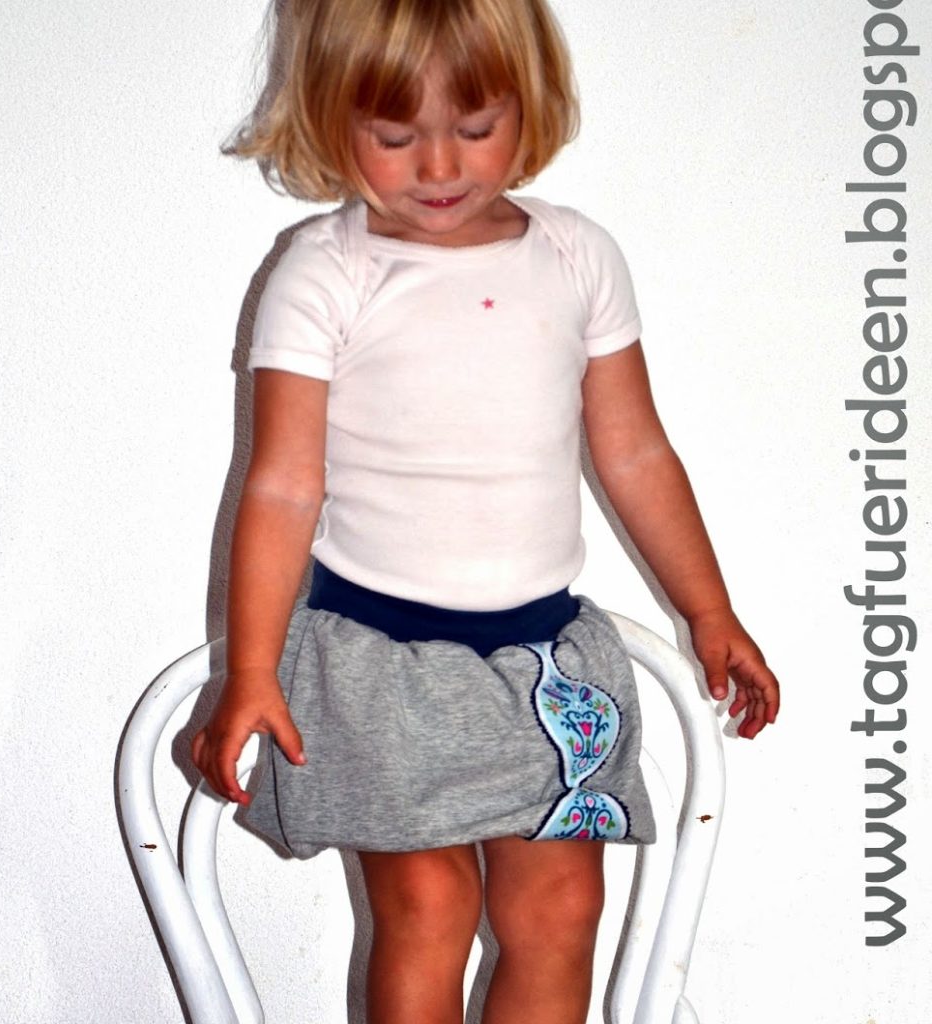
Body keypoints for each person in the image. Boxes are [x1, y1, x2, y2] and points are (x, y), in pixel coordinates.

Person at [191, 1, 781, 1022]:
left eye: (474, 128)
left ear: (529, 105)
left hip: (546, 659)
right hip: (381, 663)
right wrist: (250, 670)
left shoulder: (575, 255)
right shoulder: (326, 271)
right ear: (332, 118)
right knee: (428, 907)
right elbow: (282, 483)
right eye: (394, 136)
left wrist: (709, 609)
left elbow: (635, 450)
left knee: (562, 907)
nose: (438, 165)